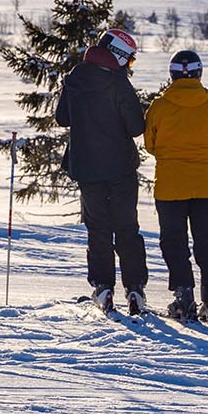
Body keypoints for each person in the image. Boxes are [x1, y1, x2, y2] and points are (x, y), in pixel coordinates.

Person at [55, 27, 148, 314]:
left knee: (98, 230)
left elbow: (62, 118)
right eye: (129, 60)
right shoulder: (118, 84)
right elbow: (136, 127)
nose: (129, 67)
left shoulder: (74, 79)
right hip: (120, 167)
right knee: (127, 228)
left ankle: (103, 287)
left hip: (87, 168)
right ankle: (134, 289)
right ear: (118, 55)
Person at [144, 50, 208, 324]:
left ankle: (184, 296)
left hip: (170, 186)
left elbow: (150, 145)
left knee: (174, 242)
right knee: (207, 241)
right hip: (207, 185)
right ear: (199, 73)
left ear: (172, 74)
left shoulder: (159, 106)